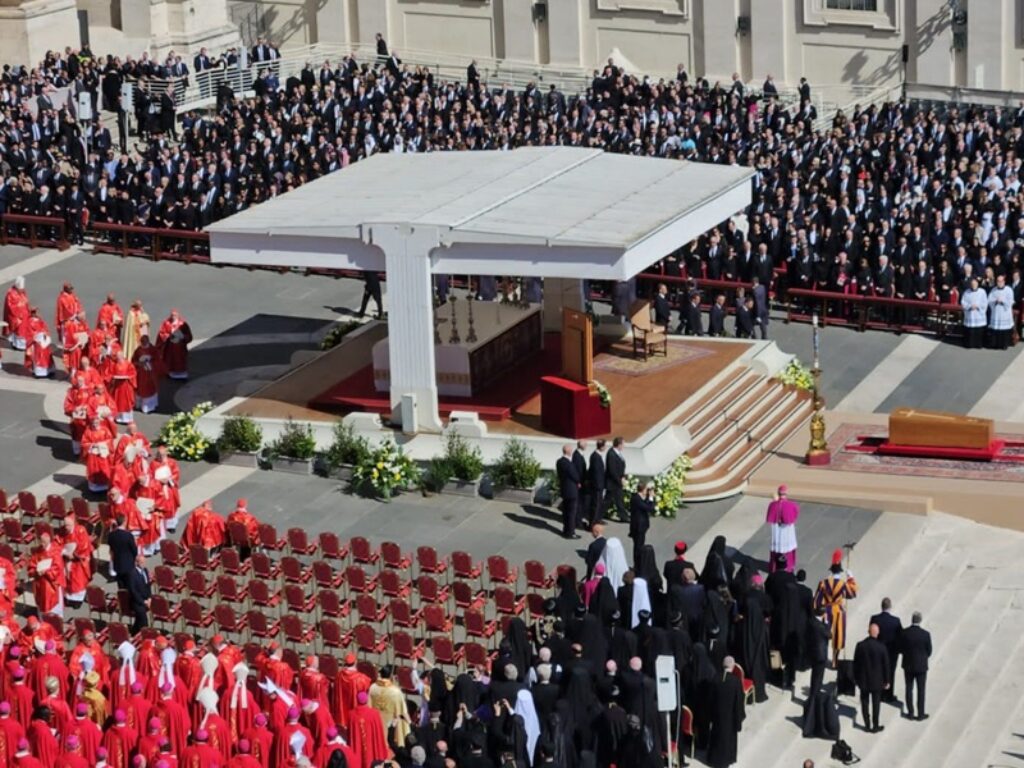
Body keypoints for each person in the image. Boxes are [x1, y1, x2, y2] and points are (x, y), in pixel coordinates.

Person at [814, 549, 858, 666]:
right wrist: (851, 578)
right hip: (838, 610)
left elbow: (817, 600)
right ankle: (835, 660)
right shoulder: (843, 584)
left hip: (826, 610)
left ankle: (823, 656)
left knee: (825, 634)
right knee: (838, 637)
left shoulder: (823, 583)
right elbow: (852, 593)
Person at [707, 657, 745, 768]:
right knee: (728, 741)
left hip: (717, 717)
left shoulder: (715, 678)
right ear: (732, 667)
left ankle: (714, 759)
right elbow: (738, 702)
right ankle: (727, 760)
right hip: (730, 718)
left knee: (716, 738)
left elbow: (711, 699)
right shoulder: (735, 681)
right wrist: (739, 719)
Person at [853, 622, 890, 733]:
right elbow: (886, 665)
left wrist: (856, 678)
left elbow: (856, 664)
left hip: (863, 680)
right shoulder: (881, 647)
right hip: (877, 681)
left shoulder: (860, 645)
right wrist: (887, 680)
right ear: (877, 633)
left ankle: (867, 724)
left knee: (865, 703)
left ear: (868, 632)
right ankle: (875, 725)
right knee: (876, 704)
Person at [899, 611, 932, 721]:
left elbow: (901, 648)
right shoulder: (925, 634)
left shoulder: (904, 633)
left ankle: (911, 713)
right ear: (920, 620)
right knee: (921, 690)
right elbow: (929, 651)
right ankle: (921, 714)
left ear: (912, 620)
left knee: (909, 688)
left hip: (908, 665)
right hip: (921, 666)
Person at [870, 597, 902, 703]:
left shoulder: (875, 618)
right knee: (891, 672)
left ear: (881, 606)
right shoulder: (896, 621)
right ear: (890, 607)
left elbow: (871, 632)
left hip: (878, 650)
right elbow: (900, 635)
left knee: (879, 671)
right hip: (892, 651)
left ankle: (879, 694)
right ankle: (888, 695)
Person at [765, 485, 799, 572]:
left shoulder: (772, 505)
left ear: (778, 493)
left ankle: (774, 567)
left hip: (777, 531)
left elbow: (770, 516)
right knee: (788, 549)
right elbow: (795, 514)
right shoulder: (792, 505)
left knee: (777, 549)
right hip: (787, 531)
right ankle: (788, 567)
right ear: (786, 494)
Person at [156, 309, 192, 380]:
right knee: (171, 361)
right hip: (170, 347)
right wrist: (168, 336)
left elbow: (188, 335)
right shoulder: (166, 323)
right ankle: (171, 374)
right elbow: (162, 333)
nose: (173, 317)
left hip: (180, 348)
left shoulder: (183, 324)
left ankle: (181, 375)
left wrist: (183, 337)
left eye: (175, 315)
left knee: (180, 361)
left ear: (178, 315)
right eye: (172, 315)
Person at [555, 444, 581, 539]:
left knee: (566, 512)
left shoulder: (559, 462)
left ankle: (566, 530)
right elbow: (575, 476)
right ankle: (570, 532)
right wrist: (578, 481)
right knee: (571, 513)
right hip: (571, 491)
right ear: (568, 451)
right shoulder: (568, 463)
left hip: (564, 489)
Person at [628, 482, 654, 567]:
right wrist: (650, 498)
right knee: (638, 547)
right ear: (643, 490)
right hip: (638, 527)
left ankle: (638, 563)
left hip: (640, 526)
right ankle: (637, 564)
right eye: (646, 489)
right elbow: (649, 508)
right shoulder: (636, 499)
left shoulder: (638, 497)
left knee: (639, 545)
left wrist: (648, 497)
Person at [107, 515, 137, 589]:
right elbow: (134, 550)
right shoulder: (128, 535)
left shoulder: (111, 535)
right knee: (130, 585)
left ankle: (122, 599)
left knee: (121, 586)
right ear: (124, 522)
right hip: (128, 564)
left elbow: (111, 546)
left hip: (117, 563)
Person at [604, 437, 628, 523]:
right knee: (608, 500)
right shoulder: (611, 454)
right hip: (613, 483)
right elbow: (612, 470)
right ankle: (598, 515)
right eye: (623, 444)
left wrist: (623, 476)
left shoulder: (616, 453)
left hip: (616, 482)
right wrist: (619, 480)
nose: (624, 446)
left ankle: (624, 517)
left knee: (618, 500)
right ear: (619, 445)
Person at [125, 554, 151, 635]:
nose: (144, 564)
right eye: (142, 562)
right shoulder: (132, 574)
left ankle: (133, 632)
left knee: (138, 620)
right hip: (137, 602)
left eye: (144, 562)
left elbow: (147, 585)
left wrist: (149, 598)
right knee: (144, 620)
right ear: (136, 563)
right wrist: (143, 602)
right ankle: (146, 636)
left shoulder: (145, 570)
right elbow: (133, 591)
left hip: (146, 599)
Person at [988, 273, 1015, 349]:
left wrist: (1002, 301)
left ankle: (1004, 345)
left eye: (1001, 281)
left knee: (1004, 330)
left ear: (1004, 281)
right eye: (998, 281)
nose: (999, 283)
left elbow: (1011, 301)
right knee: (996, 329)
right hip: (996, 313)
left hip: (1005, 313)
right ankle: (996, 344)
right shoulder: (993, 290)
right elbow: (989, 300)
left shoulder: (1009, 290)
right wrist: (995, 301)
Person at [961, 276, 988, 349]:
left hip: (979, 315)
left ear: (977, 284)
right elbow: (963, 302)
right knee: (970, 331)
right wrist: (969, 306)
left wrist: (978, 306)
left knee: (979, 331)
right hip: (970, 315)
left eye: (975, 283)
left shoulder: (982, 292)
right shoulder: (967, 292)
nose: (973, 285)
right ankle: (969, 344)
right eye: (972, 284)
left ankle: (978, 344)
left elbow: (985, 302)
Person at [588, 440, 607, 526]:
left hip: (599, 485)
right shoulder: (595, 457)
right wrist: (599, 485)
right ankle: (592, 523)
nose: (606, 448)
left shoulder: (597, 456)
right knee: (595, 505)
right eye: (605, 446)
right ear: (602, 447)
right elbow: (596, 473)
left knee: (599, 504)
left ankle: (597, 520)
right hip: (597, 486)